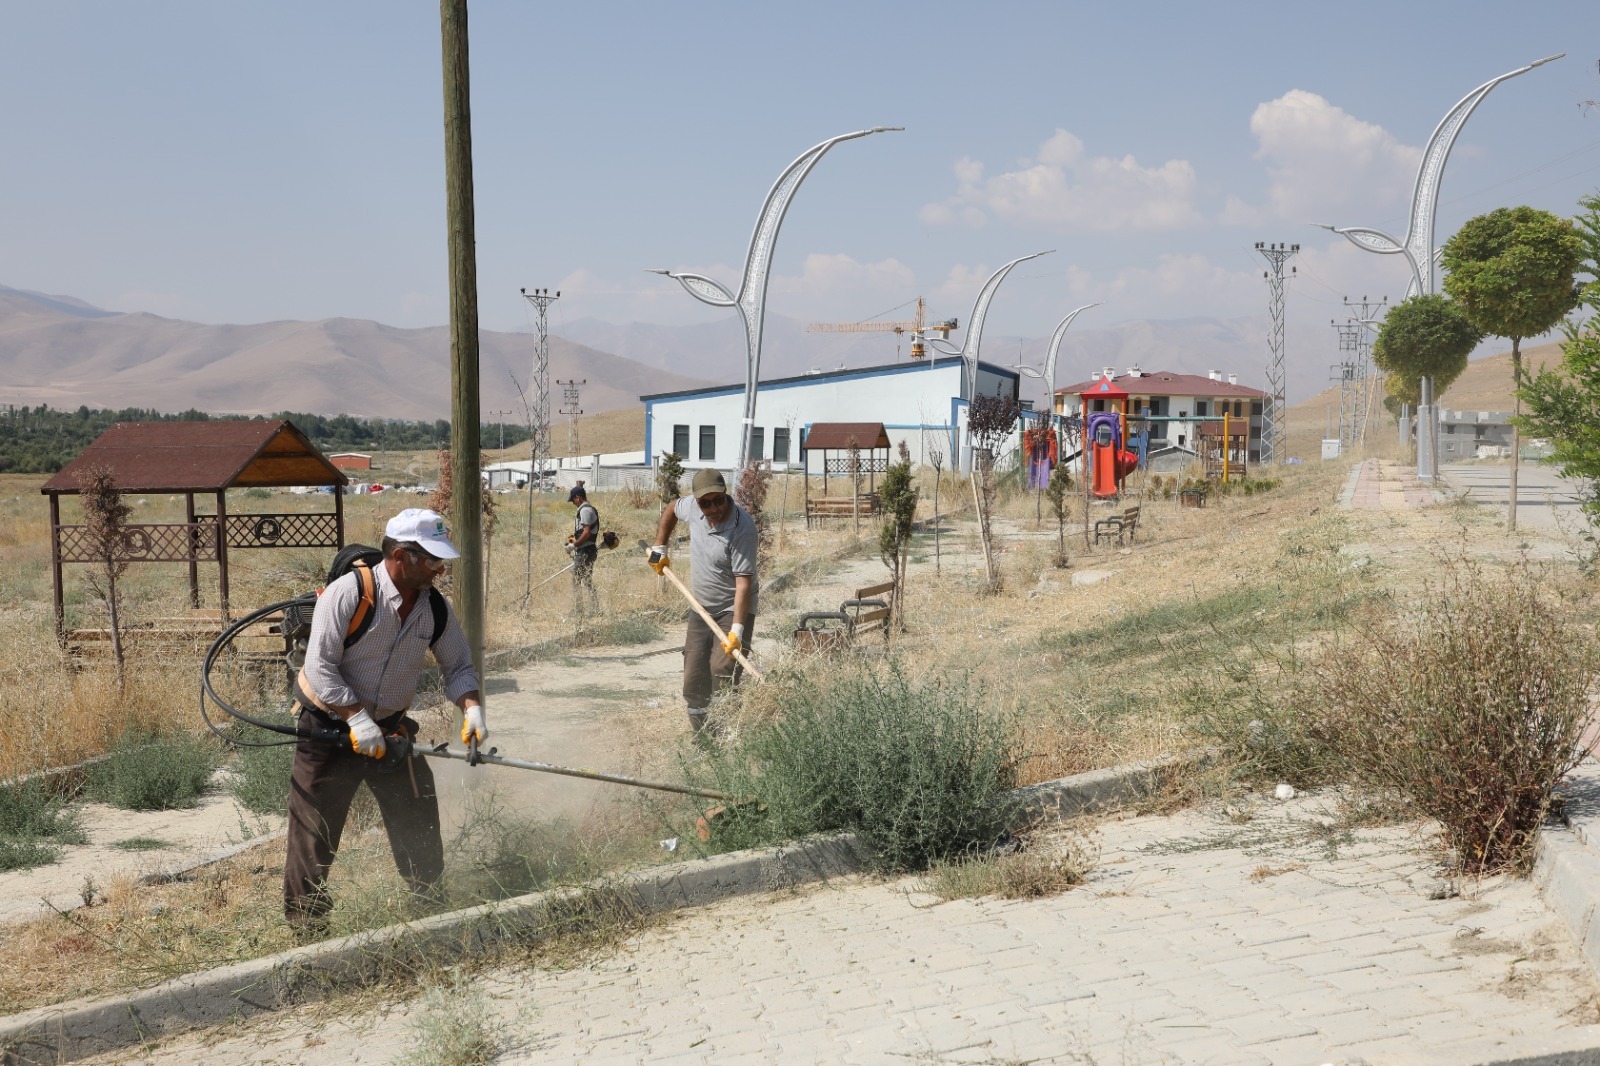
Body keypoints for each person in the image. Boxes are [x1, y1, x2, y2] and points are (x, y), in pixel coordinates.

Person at [283, 507, 486, 935]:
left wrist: (472, 709)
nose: (439, 567)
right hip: (329, 728)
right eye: (430, 558)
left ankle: (430, 907)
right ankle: (307, 929)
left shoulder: (434, 608)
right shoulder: (348, 594)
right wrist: (357, 719)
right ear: (399, 555)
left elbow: (459, 665)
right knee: (313, 831)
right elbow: (320, 668)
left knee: (418, 813)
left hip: (390, 731)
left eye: (440, 558)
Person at [648, 468, 759, 736]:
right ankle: (702, 741)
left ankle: (724, 738)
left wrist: (737, 632)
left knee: (722, 673)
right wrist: (659, 548)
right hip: (700, 607)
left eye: (718, 501)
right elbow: (672, 508)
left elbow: (743, 584)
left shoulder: (741, 527)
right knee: (694, 679)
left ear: (725, 495)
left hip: (733, 608)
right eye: (705, 503)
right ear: (697, 502)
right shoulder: (692, 509)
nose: (713, 508)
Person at [567, 484, 600, 619]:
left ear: (578, 497)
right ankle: (595, 608)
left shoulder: (585, 510)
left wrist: (574, 545)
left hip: (585, 550)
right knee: (586, 580)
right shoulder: (588, 509)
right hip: (588, 549)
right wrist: (572, 540)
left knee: (576, 580)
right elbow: (583, 532)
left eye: (573, 500)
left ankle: (578, 610)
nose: (573, 503)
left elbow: (586, 533)